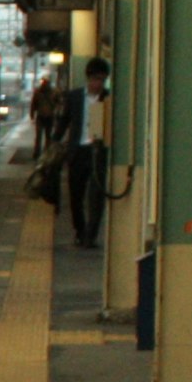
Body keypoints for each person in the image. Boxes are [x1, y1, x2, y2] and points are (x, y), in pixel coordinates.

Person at [66, 56, 112, 247]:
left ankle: (90, 236)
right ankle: (80, 230)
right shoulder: (74, 97)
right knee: (76, 195)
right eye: (95, 79)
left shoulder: (108, 98)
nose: (98, 84)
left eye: (102, 80)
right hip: (78, 152)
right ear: (88, 78)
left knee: (96, 196)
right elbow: (64, 122)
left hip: (98, 153)